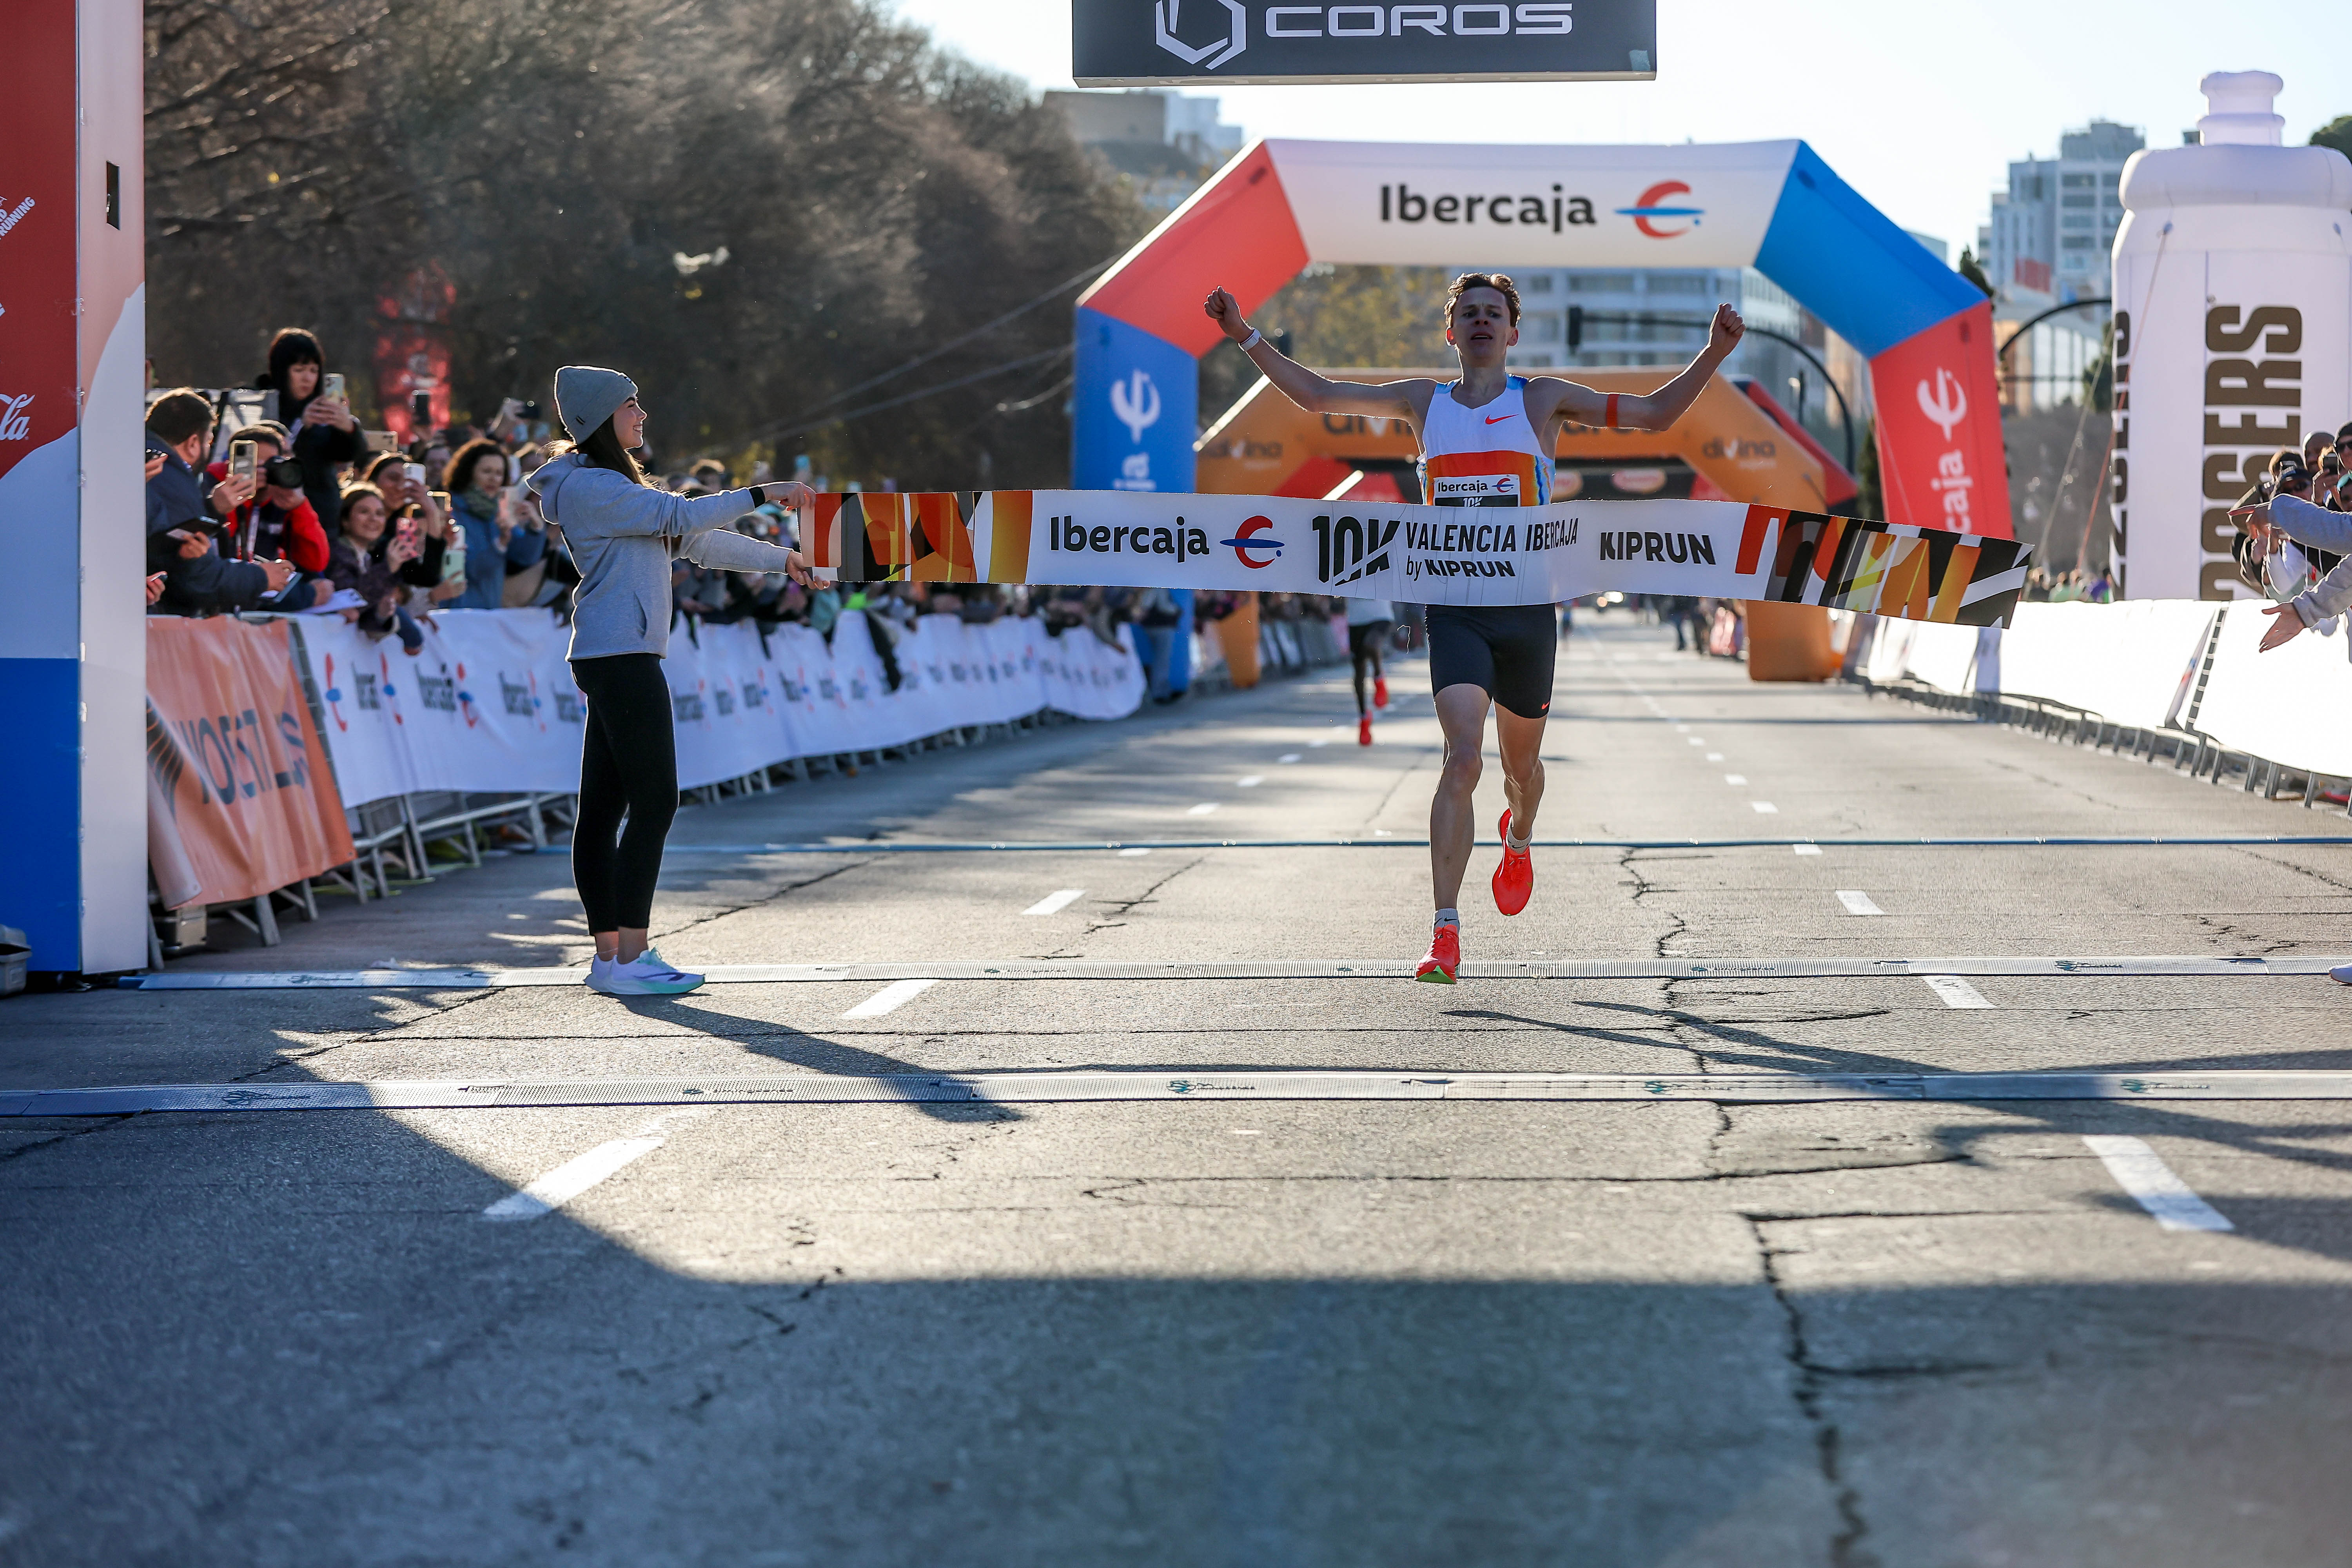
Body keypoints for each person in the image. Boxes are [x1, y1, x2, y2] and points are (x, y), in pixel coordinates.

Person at [1203, 272, 1745, 982]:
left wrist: (1714, 353)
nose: (1482, 321)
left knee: (1522, 772)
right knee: (1462, 758)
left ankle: (1519, 836)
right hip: (1455, 607)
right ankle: (1445, 932)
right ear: (1451, 332)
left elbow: (1655, 415)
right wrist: (1244, 335)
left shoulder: (1541, 400)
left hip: (1527, 613)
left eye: (1494, 313)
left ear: (1512, 333)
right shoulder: (1422, 402)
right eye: (1469, 313)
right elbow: (1319, 395)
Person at [526, 366, 813, 997]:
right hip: (620, 655)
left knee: (603, 810)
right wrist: (764, 493)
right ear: (601, 418)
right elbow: (679, 512)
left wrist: (784, 561)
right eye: (631, 405)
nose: (642, 414)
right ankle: (630, 958)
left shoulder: (610, 486)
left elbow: (698, 544)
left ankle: (612, 959)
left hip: (616, 652)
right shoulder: (592, 487)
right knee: (655, 801)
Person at [143, 388, 282, 614]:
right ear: (193, 443)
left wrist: (213, 509)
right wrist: (262, 577)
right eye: (209, 440)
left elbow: (161, 540)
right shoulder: (170, 475)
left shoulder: (140, 461)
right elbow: (199, 577)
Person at [255, 328, 365, 535]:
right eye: (299, 370)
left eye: (314, 371)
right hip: (274, 517)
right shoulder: (262, 405)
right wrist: (301, 426)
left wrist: (348, 428)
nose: (308, 378)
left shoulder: (324, 410)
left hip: (322, 516)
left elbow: (350, 454)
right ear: (282, 370)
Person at [442, 437, 548, 610]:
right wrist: (499, 545)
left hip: (489, 612)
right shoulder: (452, 511)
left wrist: (536, 527)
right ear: (469, 472)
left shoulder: (499, 511)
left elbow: (524, 558)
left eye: (499, 473)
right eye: (487, 471)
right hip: (456, 611)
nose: (494, 478)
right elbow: (469, 570)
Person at [1345, 597, 1394, 745]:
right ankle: (1364, 717)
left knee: (1371, 644)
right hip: (1356, 619)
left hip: (1380, 614)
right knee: (1359, 671)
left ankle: (1379, 678)